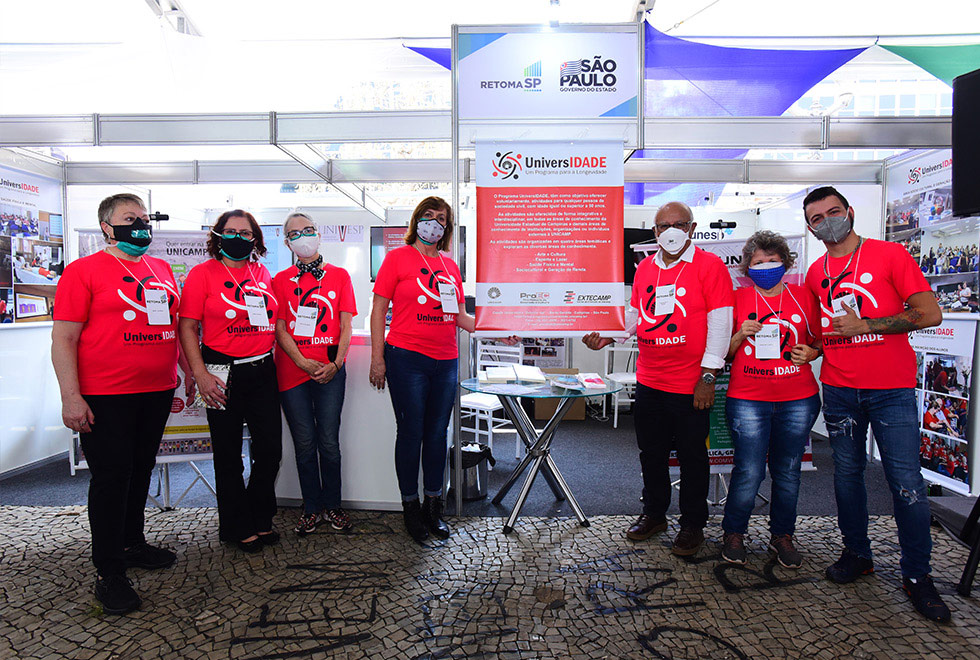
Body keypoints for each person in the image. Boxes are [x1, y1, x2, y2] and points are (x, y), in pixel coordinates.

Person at [803, 185, 949, 622]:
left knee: (904, 480)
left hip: (891, 389)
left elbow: (929, 313)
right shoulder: (815, 272)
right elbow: (825, 332)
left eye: (832, 211)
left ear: (848, 211)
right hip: (840, 389)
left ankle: (918, 576)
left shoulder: (889, 255)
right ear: (810, 229)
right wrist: (816, 349)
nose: (827, 221)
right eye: (816, 218)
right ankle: (857, 554)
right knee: (847, 476)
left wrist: (868, 324)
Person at [51, 193, 190, 615]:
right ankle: (108, 572)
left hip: (156, 391)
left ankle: (132, 543)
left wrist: (188, 374)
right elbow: (64, 339)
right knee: (111, 479)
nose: (141, 225)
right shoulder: (82, 272)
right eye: (131, 218)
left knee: (141, 469)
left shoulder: (161, 268)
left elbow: (173, 327)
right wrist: (71, 397)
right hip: (106, 395)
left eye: (145, 218)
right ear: (107, 228)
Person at [583, 201, 733, 556]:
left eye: (679, 224)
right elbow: (638, 312)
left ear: (692, 228)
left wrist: (708, 377)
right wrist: (610, 334)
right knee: (650, 454)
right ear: (654, 232)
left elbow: (721, 322)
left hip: (691, 383)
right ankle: (654, 514)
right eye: (663, 225)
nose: (671, 231)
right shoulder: (646, 267)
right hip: (650, 379)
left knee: (693, 457)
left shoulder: (709, 266)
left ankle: (692, 524)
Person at [369, 197, 483, 544]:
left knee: (437, 435)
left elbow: (460, 316)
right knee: (411, 433)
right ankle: (410, 507)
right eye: (428, 216)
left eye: (441, 219)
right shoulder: (397, 258)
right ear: (417, 220)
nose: (434, 223)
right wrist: (378, 358)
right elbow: (378, 311)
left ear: (447, 229)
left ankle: (434, 506)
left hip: (445, 360)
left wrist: (494, 327)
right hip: (406, 359)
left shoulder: (451, 266)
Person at [178, 210, 282, 553]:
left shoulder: (262, 272)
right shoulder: (201, 274)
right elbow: (188, 328)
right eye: (231, 230)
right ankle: (237, 526)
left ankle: (258, 516)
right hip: (221, 369)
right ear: (218, 235)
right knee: (227, 454)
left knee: (269, 451)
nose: (238, 236)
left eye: (246, 231)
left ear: (256, 238)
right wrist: (200, 373)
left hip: (263, 368)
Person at [720, 231, 821, 568]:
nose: (766, 266)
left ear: (786, 262)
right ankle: (734, 532)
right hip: (748, 399)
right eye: (758, 262)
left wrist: (812, 352)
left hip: (798, 398)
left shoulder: (804, 296)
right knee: (748, 470)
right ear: (747, 267)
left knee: (789, 470)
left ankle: (782, 535)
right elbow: (722, 354)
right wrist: (738, 336)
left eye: (772, 260)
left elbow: (820, 342)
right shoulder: (737, 299)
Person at [272, 213, 357, 536]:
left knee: (329, 442)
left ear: (319, 235)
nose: (302, 236)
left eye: (307, 230)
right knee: (304, 443)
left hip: (331, 371)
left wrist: (335, 364)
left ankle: (333, 506)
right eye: (294, 233)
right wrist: (302, 362)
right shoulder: (279, 280)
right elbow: (280, 328)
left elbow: (346, 325)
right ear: (286, 242)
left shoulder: (339, 276)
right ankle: (311, 508)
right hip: (292, 372)